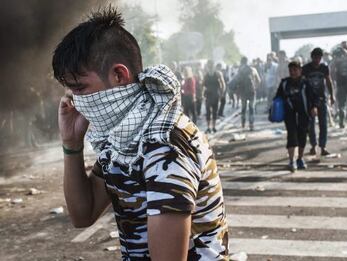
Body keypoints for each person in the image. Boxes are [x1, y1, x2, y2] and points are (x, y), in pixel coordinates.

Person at [52, 7, 228, 260]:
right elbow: (84, 214)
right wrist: (71, 144)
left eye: (80, 88)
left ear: (119, 75)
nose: (75, 101)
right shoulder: (124, 137)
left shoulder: (164, 143)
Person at [275, 61, 318, 172]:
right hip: (289, 114)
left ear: (300, 70)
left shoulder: (305, 83)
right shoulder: (285, 83)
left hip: (304, 113)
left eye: (295, 70)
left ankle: (300, 158)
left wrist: (314, 107)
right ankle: (291, 160)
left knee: (302, 135)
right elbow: (278, 97)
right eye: (291, 70)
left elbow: (314, 97)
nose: (293, 72)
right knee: (291, 135)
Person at [302, 47, 335, 156]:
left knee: (323, 124)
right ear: (312, 57)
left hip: (322, 98)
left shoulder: (324, 68)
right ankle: (313, 146)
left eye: (319, 58)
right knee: (310, 125)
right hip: (310, 100)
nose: (317, 60)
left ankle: (323, 147)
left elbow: (329, 81)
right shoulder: (306, 68)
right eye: (315, 57)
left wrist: (332, 95)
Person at [203, 60, 225, 133]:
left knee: (214, 111)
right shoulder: (206, 74)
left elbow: (223, 84)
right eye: (209, 65)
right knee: (208, 111)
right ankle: (209, 127)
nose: (210, 66)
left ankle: (213, 127)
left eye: (210, 65)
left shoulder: (218, 74)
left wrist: (222, 93)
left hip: (215, 94)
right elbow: (203, 84)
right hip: (209, 95)